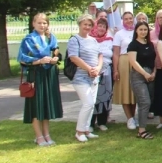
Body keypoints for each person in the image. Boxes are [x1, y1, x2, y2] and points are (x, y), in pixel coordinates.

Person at [17, 13, 62, 146]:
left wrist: (56, 58)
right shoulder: (28, 39)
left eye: (44, 23)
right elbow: (22, 58)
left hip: (49, 74)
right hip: (36, 74)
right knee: (36, 105)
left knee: (46, 105)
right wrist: (38, 61)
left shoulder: (51, 37)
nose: (42, 25)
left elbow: (56, 51)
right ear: (33, 24)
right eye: (39, 23)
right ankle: (39, 136)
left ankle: (47, 134)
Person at [68, 14, 104, 142]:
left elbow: (100, 55)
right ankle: (79, 131)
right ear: (80, 25)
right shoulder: (74, 40)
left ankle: (86, 129)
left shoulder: (93, 40)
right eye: (85, 24)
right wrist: (89, 69)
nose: (87, 27)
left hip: (94, 77)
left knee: (91, 104)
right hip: (80, 77)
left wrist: (98, 68)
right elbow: (74, 57)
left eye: (89, 25)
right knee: (87, 103)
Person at [127, 21, 158, 139]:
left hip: (151, 75)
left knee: (147, 102)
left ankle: (142, 126)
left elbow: (154, 59)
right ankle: (141, 130)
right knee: (145, 102)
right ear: (136, 31)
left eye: (145, 30)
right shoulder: (133, 45)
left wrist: (154, 72)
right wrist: (145, 73)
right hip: (138, 76)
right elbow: (133, 62)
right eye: (141, 29)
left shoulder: (149, 44)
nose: (143, 32)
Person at [112, 11, 137, 130]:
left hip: (136, 61)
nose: (129, 20)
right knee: (125, 89)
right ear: (123, 20)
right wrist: (115, 69)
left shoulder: (137, 32)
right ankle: (129, 118)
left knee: (134, 90)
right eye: (126, 19)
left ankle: (133, 116)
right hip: (123, 61)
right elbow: (116, 53)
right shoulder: (119, 34)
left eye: (130, 18)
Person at [90, 17, 114, 132]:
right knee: (92, 97)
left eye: (104, 27)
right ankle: (90, 123)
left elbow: (113, 54)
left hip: (107, 71)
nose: (101, 28)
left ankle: (102, 122)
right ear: (95, 26)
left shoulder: (110, 40)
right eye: (99, 26)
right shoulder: (90, 39)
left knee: (105, 97)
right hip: (93, 71)